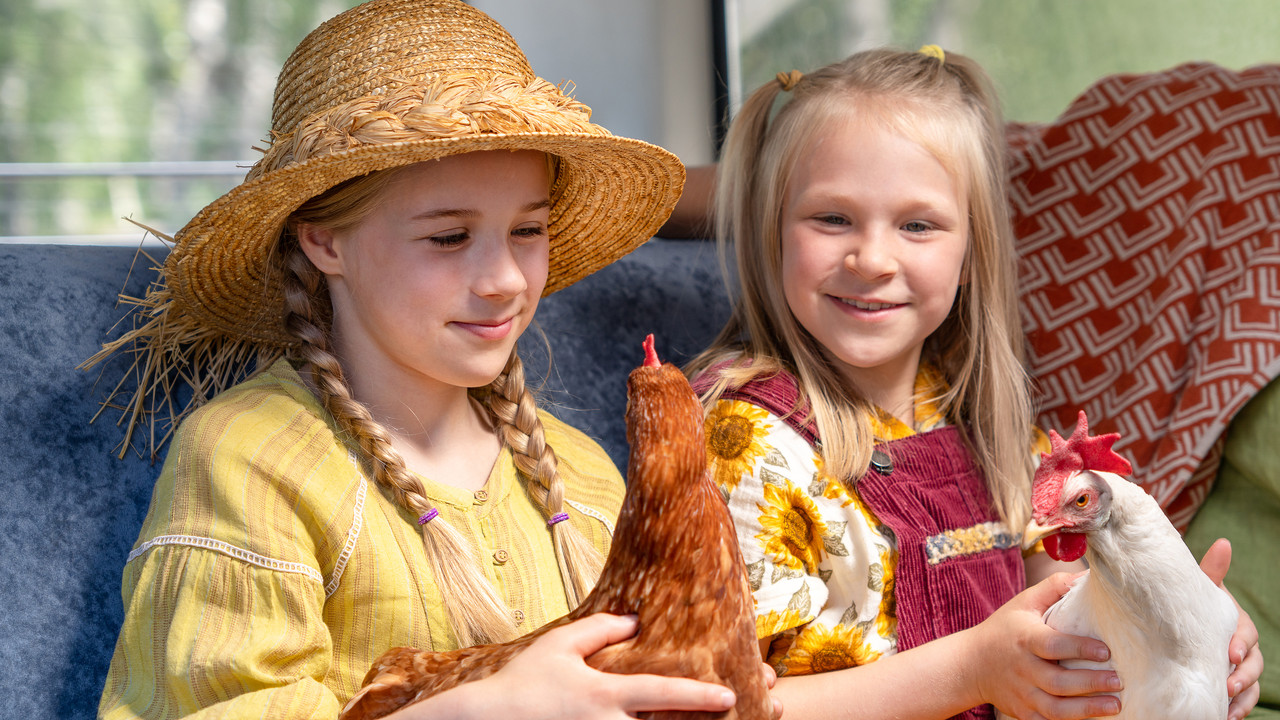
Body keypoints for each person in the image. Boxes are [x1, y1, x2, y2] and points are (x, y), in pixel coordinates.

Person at [88, 1, 774, 718]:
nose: (505, 279)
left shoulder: (586, 482)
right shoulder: (251, 459)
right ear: (324, 243)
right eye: (449, 238)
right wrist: (486, 710)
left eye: (528, 229)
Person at [685, 47, 1262, 719]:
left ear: (968, 256)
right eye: (832, 218)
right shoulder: (743, 443)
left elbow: (1065, 613)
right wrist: (972, 668)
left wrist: (1190, 638)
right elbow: (724, 707)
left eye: (918, 225)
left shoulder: (980, 429)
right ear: (772, 233)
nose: (871, 258)